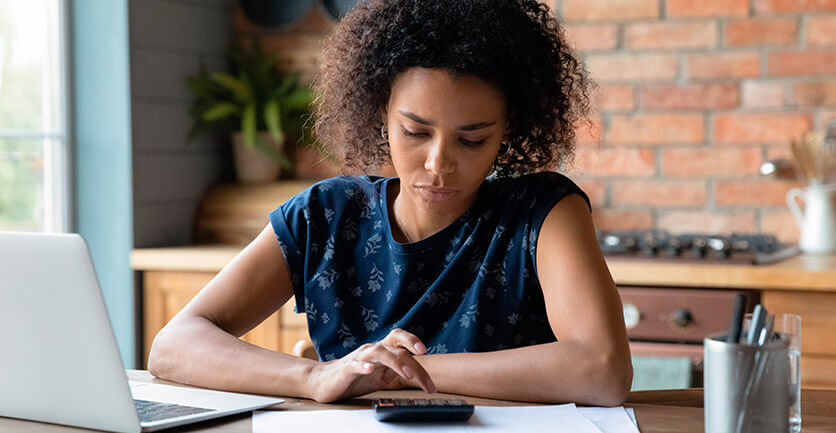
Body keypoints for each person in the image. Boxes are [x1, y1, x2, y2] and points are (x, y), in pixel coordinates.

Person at [148, 0, 632, 406]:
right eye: (416, 132)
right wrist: (316, 377)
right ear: (381, 113)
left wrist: (409, 370)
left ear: (509, 131)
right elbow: (174, 346)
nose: (438, 163)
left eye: (472, 140)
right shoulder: (325, 215)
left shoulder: (543, 212)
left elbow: (603, 370)